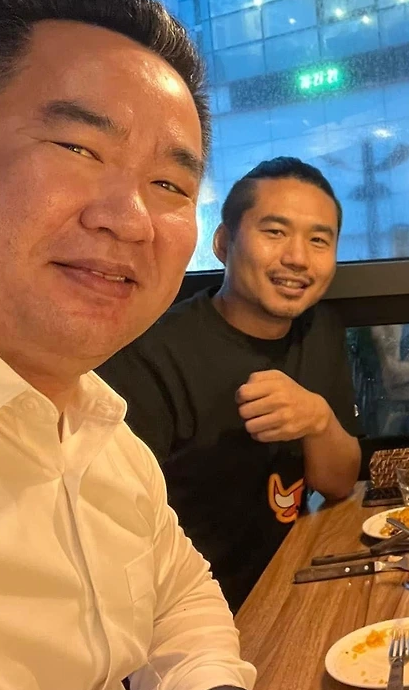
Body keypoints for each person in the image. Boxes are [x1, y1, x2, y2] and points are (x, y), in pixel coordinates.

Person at [0, 0, 273, 690]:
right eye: (78, 148)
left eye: (169, 185)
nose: (130, 219)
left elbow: (175, 588)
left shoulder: (99, 430)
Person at [99, 157, 361, 613]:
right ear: (223, 242)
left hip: (294, 582)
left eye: (319, 240)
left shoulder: (321, 331)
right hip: (193, 616)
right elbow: (113, 540)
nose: (298, 258)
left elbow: (339, 484)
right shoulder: (152, 355)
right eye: (275, 232)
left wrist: (319, 420)